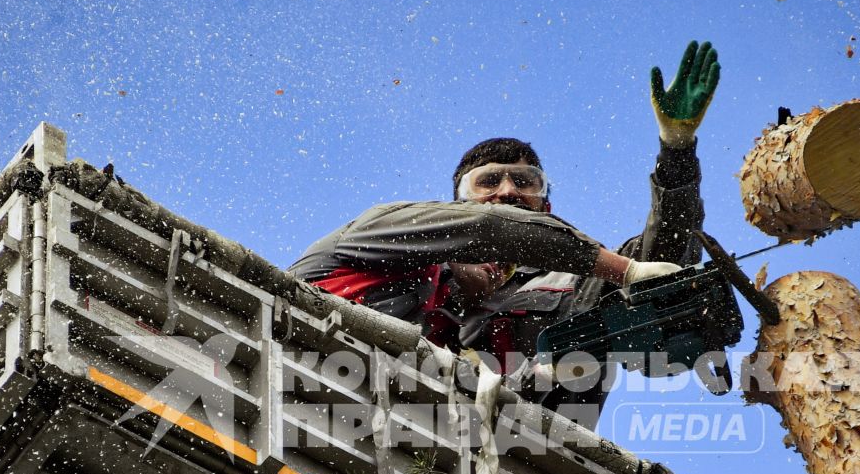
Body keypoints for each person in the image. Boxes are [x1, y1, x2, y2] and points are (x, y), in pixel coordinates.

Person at [288, 41, 721, 415]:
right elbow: (487, 228)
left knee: (643, 305)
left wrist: (677, 152)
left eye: (525, 182)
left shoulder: (561, 285)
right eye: (489, 182)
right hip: (317, 371)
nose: (509, 191)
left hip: (497, 454)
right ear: (456, 204)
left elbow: (659, 270)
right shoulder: (386, 232)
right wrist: (621, 268)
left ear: (546, 205)